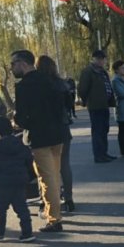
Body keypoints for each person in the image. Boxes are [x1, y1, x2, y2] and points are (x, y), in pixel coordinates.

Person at [11, 50, 66, 232]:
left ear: (23, 63)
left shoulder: (23, 86)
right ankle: (54, 211)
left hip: (39, 137)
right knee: (55, 176)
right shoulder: (50, 80)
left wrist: (17, 121)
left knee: (46, 178)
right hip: (58, 134)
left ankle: (54, 218)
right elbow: (63, 106)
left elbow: (22, 118)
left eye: (13, 64)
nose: (12, 68)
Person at [0, 116, 35, 242]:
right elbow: (28, 158)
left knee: (0, 208)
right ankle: (27, 232)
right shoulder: (19, 143)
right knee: (21, 207)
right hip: (19, 180)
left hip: (1, 181)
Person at [35, 55, 76, 213]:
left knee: (46, 168)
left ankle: (48, 199)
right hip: (63, 128)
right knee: (64, 165)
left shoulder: (38, 84)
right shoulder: (62, 84)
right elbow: (69, 105)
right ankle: (69, 199)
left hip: (45, 130)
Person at [79, 49, 117, 163]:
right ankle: (98, 155)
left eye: (103, 59)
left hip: (104, 105)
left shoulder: (102, 71)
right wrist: (86, 100)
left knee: (104, 129)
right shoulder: (88, 71)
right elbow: (82, 88)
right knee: (97, 131)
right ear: (94, 59)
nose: (101, 61)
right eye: (99, 59)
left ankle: (104, 153)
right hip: (95, 105)